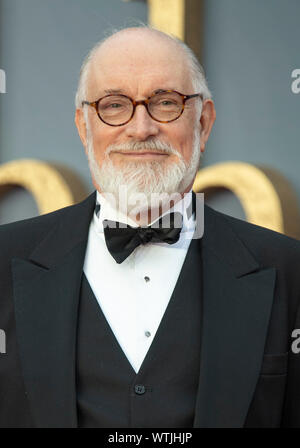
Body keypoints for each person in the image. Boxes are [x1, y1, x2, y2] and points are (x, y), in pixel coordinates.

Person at [0, 26, 300, 429]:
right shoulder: (4, 263)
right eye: (114, 105)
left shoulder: (288, 270)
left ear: (204, 123)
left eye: (165, 102)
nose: (141, 129)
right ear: (83, 126)